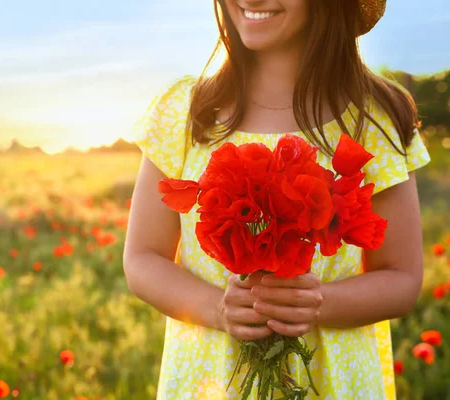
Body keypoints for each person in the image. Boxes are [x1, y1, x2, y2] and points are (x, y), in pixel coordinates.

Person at [123, 0, 430, 399]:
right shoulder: (186, 110)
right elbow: (143, 258)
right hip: (208, 383)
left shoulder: (372, 118)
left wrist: (318, 304)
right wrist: (217, 308)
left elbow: (402, 279)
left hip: (333, 384)